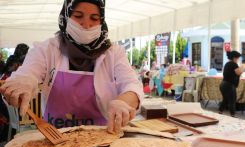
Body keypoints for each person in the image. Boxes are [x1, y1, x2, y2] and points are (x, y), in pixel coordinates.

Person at [0, 0, 143, 133]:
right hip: (55, 138)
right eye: (78, 16)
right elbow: (29, 71)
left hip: (103, 137)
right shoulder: (47, 49)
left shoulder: (113, 53)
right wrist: (25, 80)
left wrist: (122, 102)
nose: (86, 25)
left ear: (102, 20)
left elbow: (131, 84)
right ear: (66, 16)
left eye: (94, 18)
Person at [219, 51, 244, 117]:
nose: (238, 60)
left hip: (223, 84)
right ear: (234, 58)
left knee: (225, 99)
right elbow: (238, 73)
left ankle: (220, 111)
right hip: (229, 85)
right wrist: (242, 68)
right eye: (237, 58)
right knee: (232, 100)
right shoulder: (233, 64)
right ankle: (232, 115)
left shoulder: (227, 63)